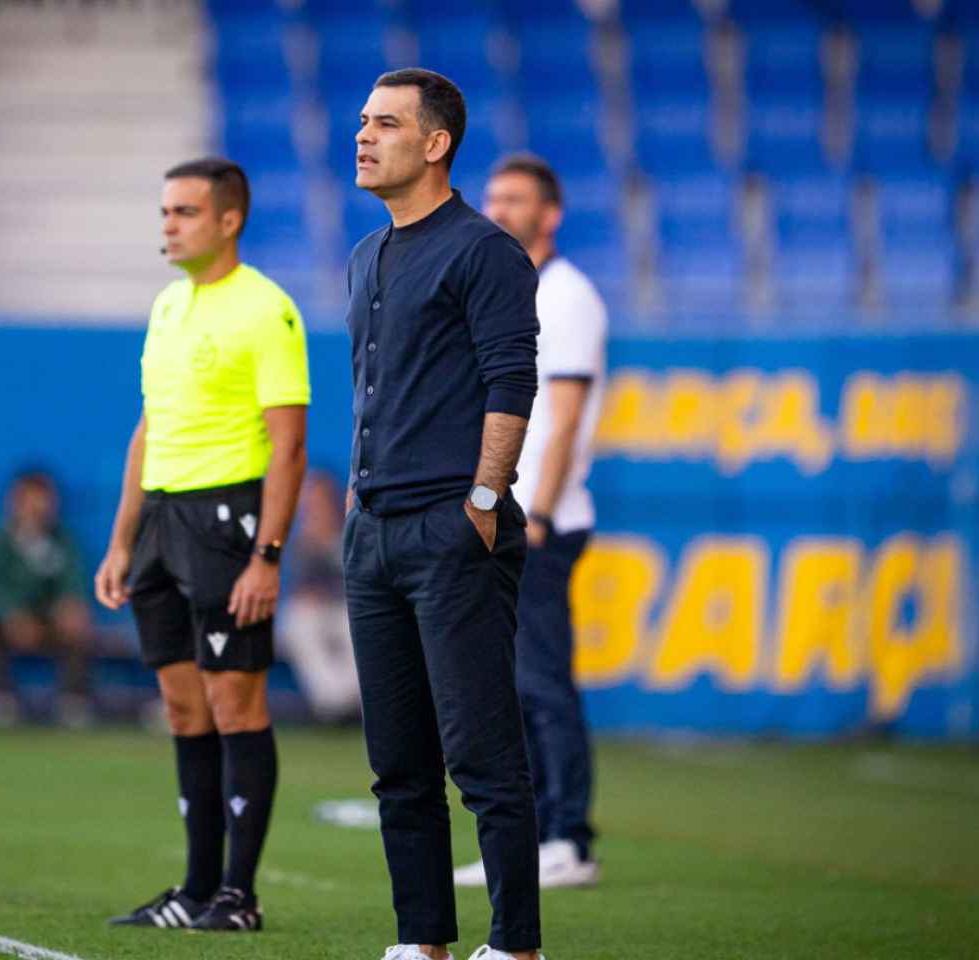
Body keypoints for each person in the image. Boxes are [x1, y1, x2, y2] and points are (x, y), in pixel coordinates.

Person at [343, 69, 547, 960]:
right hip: (374, 532)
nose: (364, 136)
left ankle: (516, 945)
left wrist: (482, 498)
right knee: (398, 764)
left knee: (483, 757)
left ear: (436, 144)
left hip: (451, 529)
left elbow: (512, 381)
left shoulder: (484, 251)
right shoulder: (366, 255)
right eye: (361, 122)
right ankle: (422, 939)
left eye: (385, 124)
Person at [94, 157, 310, 933]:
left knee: (233, 700)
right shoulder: (166, 307)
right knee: (183, 709)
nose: (168, 225)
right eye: (164, 212)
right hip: (160, 523)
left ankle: (237, 897)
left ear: (229, 220)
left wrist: (268, 555)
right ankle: (193, 890)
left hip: (228, 524)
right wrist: (122, 540)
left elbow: (289, 448)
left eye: (183, 212)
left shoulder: (267, 310)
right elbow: (148, 429)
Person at [450, 153, 606, 890]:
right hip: (504, 513)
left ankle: (569, 837)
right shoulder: (504, 286)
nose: (501, 209)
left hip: (542, 519)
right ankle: (530, 837)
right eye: (493, 197)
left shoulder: (567, 294)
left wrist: (537, 512)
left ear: (551, 214)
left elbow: (564, 418)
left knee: (542, 682)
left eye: (516, 199)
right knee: (508, 688)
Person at [0, 469, 93, 728]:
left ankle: (73, 700)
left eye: (44, 499)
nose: (38, 507)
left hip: (50, 620)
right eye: (30, 499)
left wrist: (70, 604)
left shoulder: (64, 540)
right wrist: (12, 615)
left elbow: (74, 580)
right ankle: (3, 700)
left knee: (79, 624)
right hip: (10, 622)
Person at [278, 469, 361, 724]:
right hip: (316, 615)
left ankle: (351, 702)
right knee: (300, 621)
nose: (313, 506)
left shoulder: (351, 531)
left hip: (346, 611)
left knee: (354, 627)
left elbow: (360, 583)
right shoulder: (303, 541)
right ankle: (333, 705)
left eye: (318, 499)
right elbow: (303, 589)